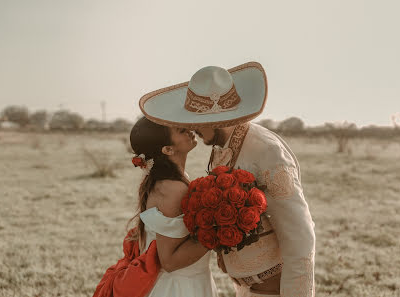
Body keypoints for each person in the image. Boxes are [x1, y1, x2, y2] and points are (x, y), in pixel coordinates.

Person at [139, 61, 316, 297]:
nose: (191, 129)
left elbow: (300, 234)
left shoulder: (266, 150)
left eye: (196, 122)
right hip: (244, 288)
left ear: (217, 120)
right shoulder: (220, 148)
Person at [94, 117, 219, 297]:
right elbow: (169, 262)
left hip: (191, 279)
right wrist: (219, 232)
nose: (189, 128)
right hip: (178, 287)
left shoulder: (173, 179)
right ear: (168, 149)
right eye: (181, 130)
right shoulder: (171, 189)